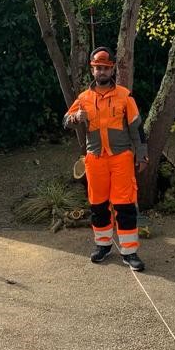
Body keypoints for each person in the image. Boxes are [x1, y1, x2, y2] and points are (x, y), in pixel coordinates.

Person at [63, 46, 148, 272]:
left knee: (125, 206)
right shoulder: (83, 98)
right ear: (93, 70)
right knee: (98, 206)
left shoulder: (124, 96)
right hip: (95, 160)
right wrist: (75, 117)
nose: (101, 72)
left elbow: (137, 129)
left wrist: (142, 155)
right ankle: (103, 246)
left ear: (112, 71)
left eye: (105, 68)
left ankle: (129, 252)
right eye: (98, 68)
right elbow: (65, 120)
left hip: (121, 159)